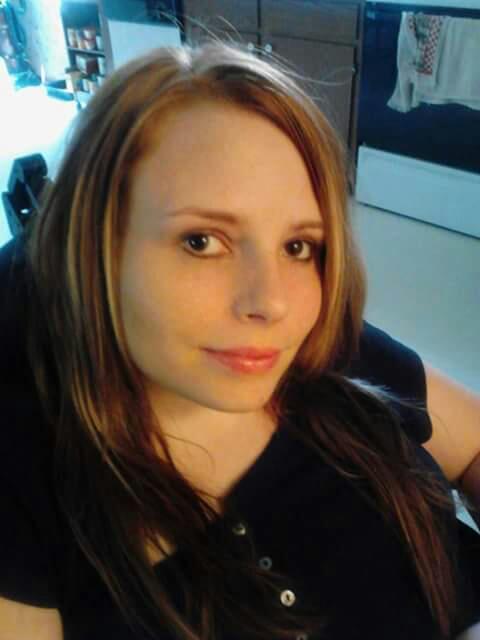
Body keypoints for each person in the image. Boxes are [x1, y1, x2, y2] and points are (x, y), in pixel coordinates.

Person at [0, 38, 479, 640]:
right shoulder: (31, 488)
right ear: (96, 245)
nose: (273, 304)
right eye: (202, 241)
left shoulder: (324, 349)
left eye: (298, 246)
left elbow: (473, 444)